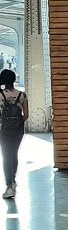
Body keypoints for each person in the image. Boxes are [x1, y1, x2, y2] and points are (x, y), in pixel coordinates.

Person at [0, 69, 27, 199]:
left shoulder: (0, 95)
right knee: (14, 154)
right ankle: (13, 181)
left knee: (6, 156)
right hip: (18, 129)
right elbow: (26, 115)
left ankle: (9, 186)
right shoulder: (22, 95)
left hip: (3, 129)